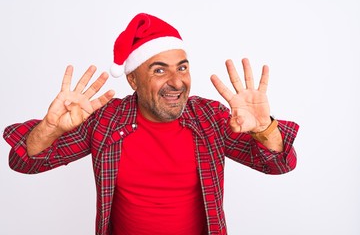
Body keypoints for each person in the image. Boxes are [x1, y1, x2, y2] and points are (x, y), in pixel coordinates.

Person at [3, 13, 299, 235]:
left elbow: (279, 164)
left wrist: (265, 128)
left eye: (182, 67)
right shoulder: (105, 120)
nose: (176, 81)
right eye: (159, 70)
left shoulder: (210, 117)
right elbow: (25, 162)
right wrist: (51, 129)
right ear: (132, 79)